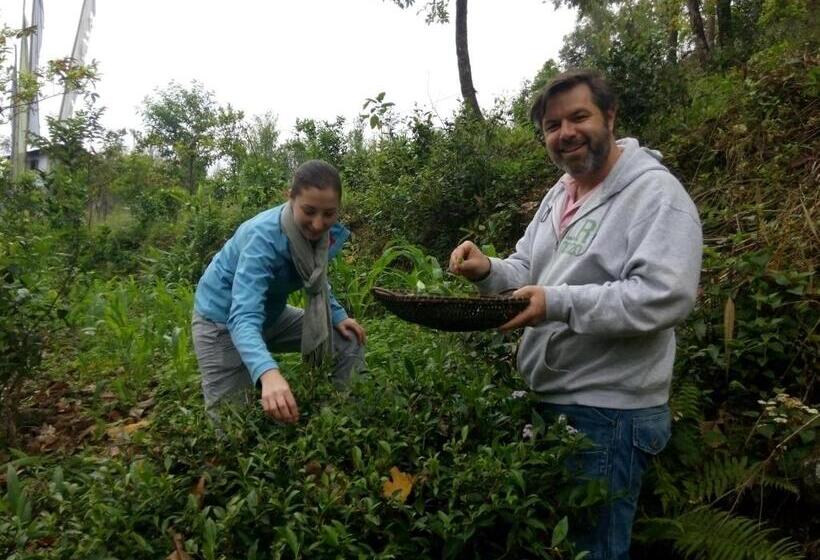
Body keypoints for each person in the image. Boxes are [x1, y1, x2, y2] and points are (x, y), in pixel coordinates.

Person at [449, 70, 702, 559]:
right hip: (551, 401)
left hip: (609, 412)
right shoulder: (562, 192)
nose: (565, 133)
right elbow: (530, 267)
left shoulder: (655, 196)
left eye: (578, 117)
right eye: (551, 125)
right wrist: (487, 270)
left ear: (610, 116)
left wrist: (557, 302)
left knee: (594, 551)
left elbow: (664, 295)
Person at [192, 160, 366, 424]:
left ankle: (343, 421)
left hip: (270, 315)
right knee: (231, 425)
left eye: (329, 214)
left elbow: (315, 276)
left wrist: (337, 314)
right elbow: (242, 316)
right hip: (222, 322)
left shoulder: (319, 237)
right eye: (309, 211)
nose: (318, 224)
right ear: (290, 198)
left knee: (348, 339)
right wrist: (268, 373)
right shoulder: (262, 238)